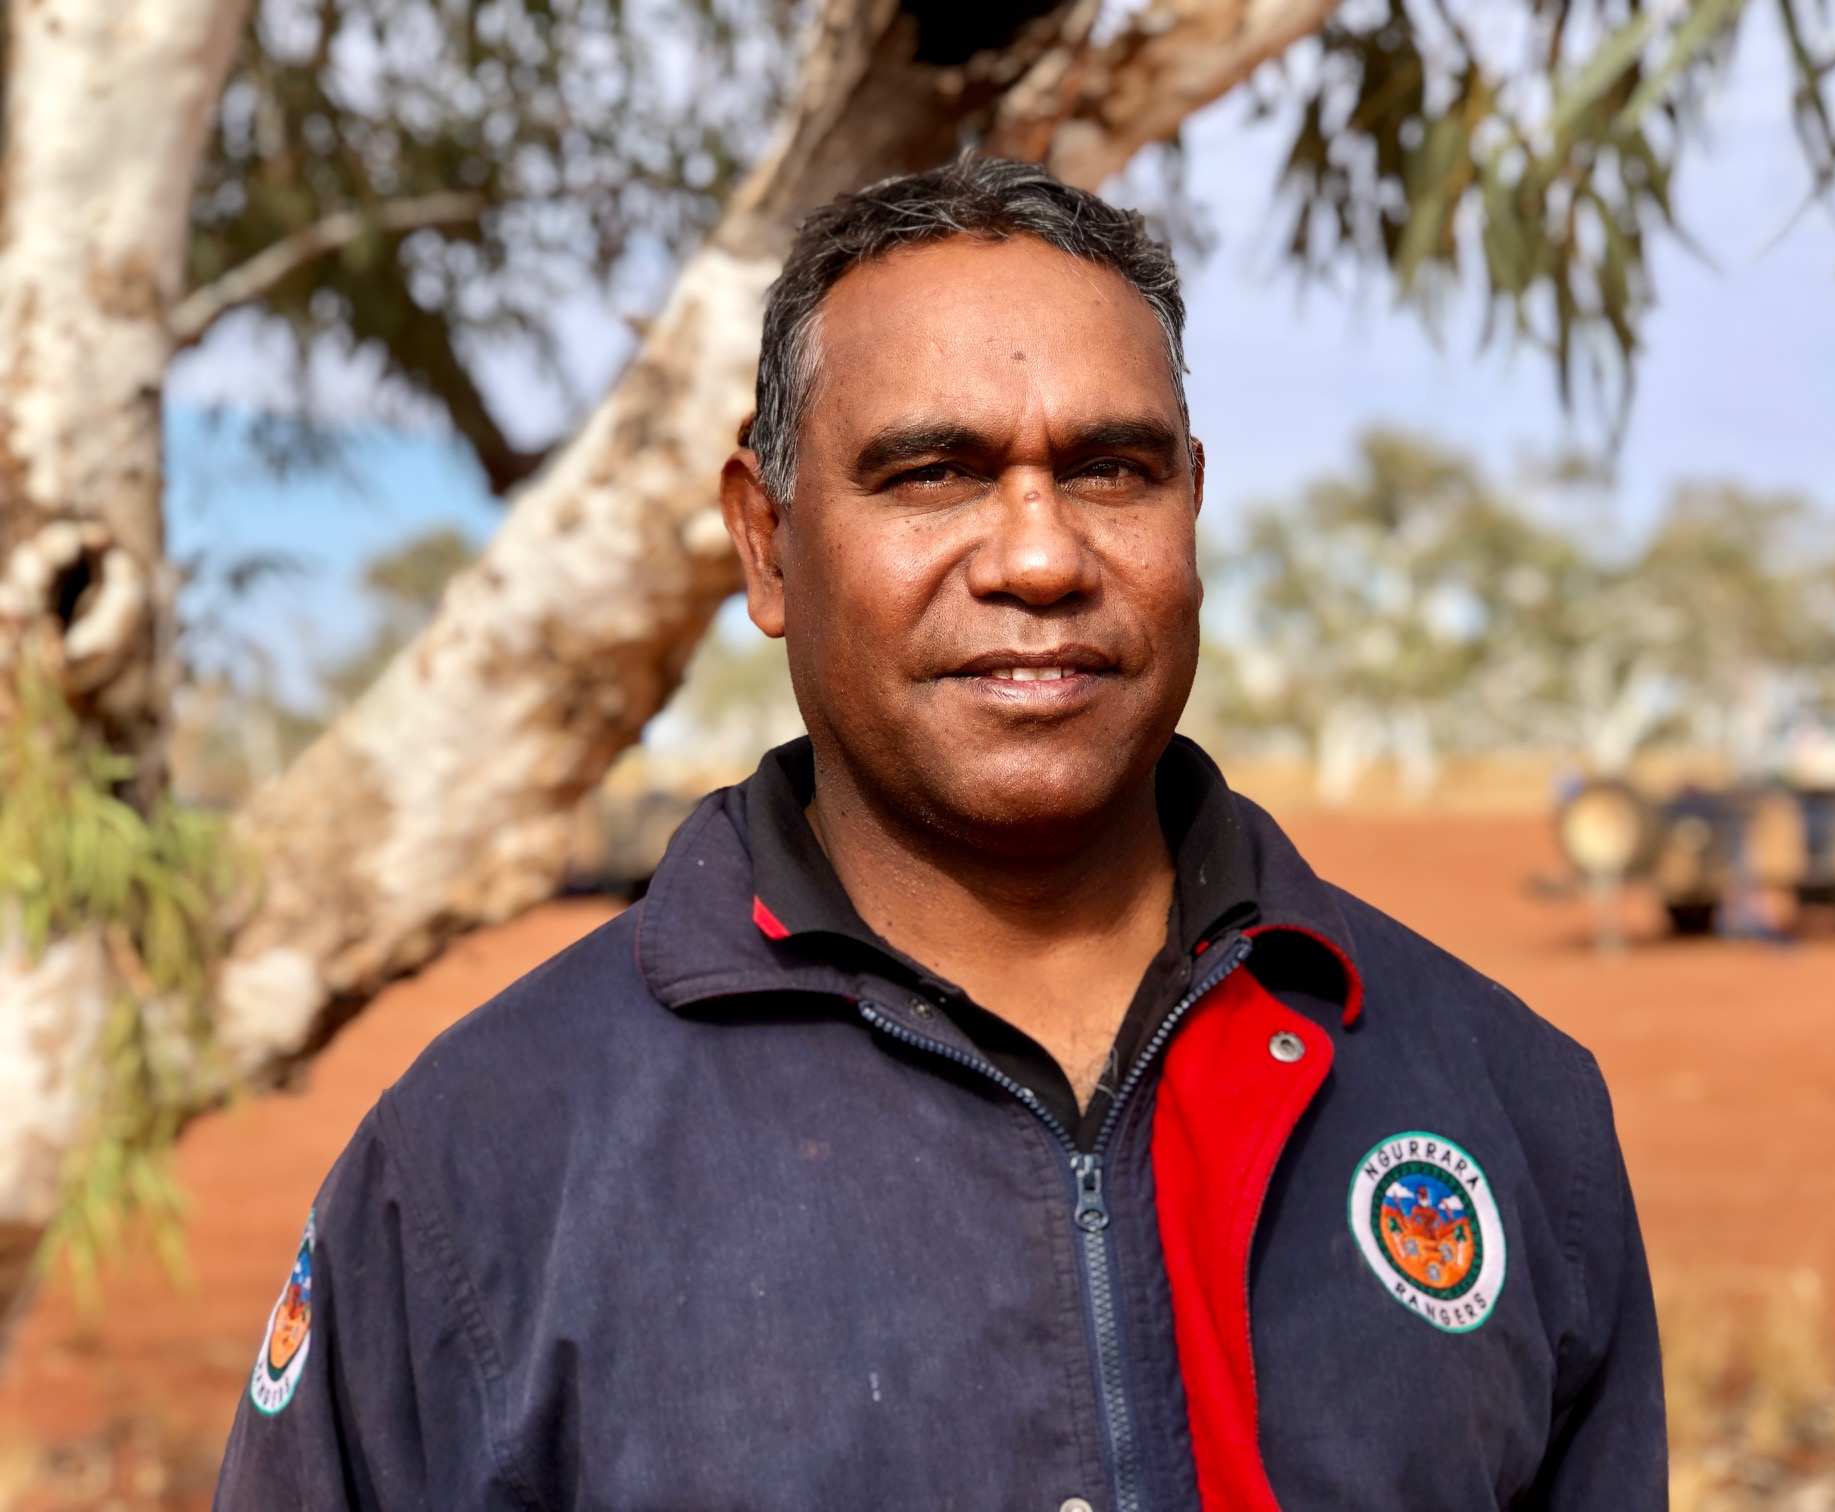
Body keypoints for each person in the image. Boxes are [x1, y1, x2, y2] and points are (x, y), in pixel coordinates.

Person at [213, 153, 1665, 1510]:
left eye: (1112, 470)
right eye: (933, 474)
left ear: (1193, 512)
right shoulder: (485, 1160)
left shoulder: (1506, 1102)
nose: (1040, 556)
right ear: (768, 543)